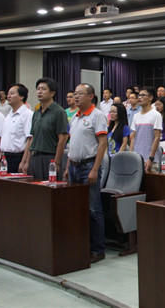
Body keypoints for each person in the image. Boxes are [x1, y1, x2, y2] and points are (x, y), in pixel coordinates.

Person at [64, 83, 107, 264]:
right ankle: (82, 245)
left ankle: (98, 249)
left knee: (93, 209)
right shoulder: (75, 117)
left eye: (80, 93)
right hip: (74, 167)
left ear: (90, 96)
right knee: (77, 208)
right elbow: (72, 145)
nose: (76, 96)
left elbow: (102, 143)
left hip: (88, 167)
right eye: (75, 93)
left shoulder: (97, 115)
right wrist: (67, 167)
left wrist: (95, 169)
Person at [22, 78, 68, 180]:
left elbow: (62, 139)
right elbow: (33, 138)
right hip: (34, 158)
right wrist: (27, 161)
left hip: (49, 158)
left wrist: (56, 162)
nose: (39, 91)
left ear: (52, 93)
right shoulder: (36, 113)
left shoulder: (59, 112)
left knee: (49, 188)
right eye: (38, 89)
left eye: (43, 89)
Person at [0, 84, 33, 173]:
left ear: (22, 96)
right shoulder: (9, 115)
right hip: (4, 157)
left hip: (17, 158)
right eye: (8, 94)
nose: (8, 96)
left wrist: (24, 161)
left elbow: (30, 140)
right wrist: (0, 159)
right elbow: (4, 138)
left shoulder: (27, 115)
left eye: (12, 93)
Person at [129, 87, 162, 172]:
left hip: (149, 159)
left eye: (143, 95)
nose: (139, 97)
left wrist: (151, 158)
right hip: (136, 158)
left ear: (150, 97)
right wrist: (131, 154)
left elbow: (157, 138)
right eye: (139, 95)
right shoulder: (136, 116)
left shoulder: (156, 115)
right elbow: (133, 137)